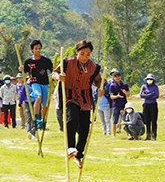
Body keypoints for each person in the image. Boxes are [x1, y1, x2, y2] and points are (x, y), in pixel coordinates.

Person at [53, 39, 102, 168]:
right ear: (77, 52)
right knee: (72, 119)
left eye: (88, 55)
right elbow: (54, 72)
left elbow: (98, 81)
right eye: (82, 54)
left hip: (85, 98)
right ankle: (70, 148)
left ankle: (79, 155)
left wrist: (101, 86)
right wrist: (59, 77)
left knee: (85, 128)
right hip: (69, 96)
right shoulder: (68, 62)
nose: (85, 57)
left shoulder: (94, 67)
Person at [22, 39, 53, 129]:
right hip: (34, 82)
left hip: (45, 83)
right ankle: (36, 117)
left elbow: (52, 70)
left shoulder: (46, 61)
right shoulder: (28, 62)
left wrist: (55, 74)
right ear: (32, 50)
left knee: (44, 104)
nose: (38, 50)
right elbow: (24, 71)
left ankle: (42, 120)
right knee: (38, 96)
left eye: (39, 48)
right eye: (36, 48)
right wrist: (21, 69)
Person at [108, 69, 129, 138]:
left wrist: (125, 92)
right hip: (116, 105)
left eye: (118, 76)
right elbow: (111, 96)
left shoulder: (125, 85)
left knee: (126, 119)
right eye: (115, 76)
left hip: (124, 104)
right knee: (115, 120)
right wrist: (117, 96)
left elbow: (128, 95)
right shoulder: (112, 86)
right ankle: (114, 135)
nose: (117, 78)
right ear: (113, 78)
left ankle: (128, 134)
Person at [139, 73, 160, 140]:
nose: (149, 80)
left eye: (151, 79)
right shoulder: (144, 86)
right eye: (148, 79)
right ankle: (148, 135)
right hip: (146, 105)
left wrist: (147, 94)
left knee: (153, 120)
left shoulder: (155, 87)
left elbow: (156, 96)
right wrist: (151, 94)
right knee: (147, 120)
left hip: (153, 105)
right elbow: (141, 95)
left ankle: (154, 135)